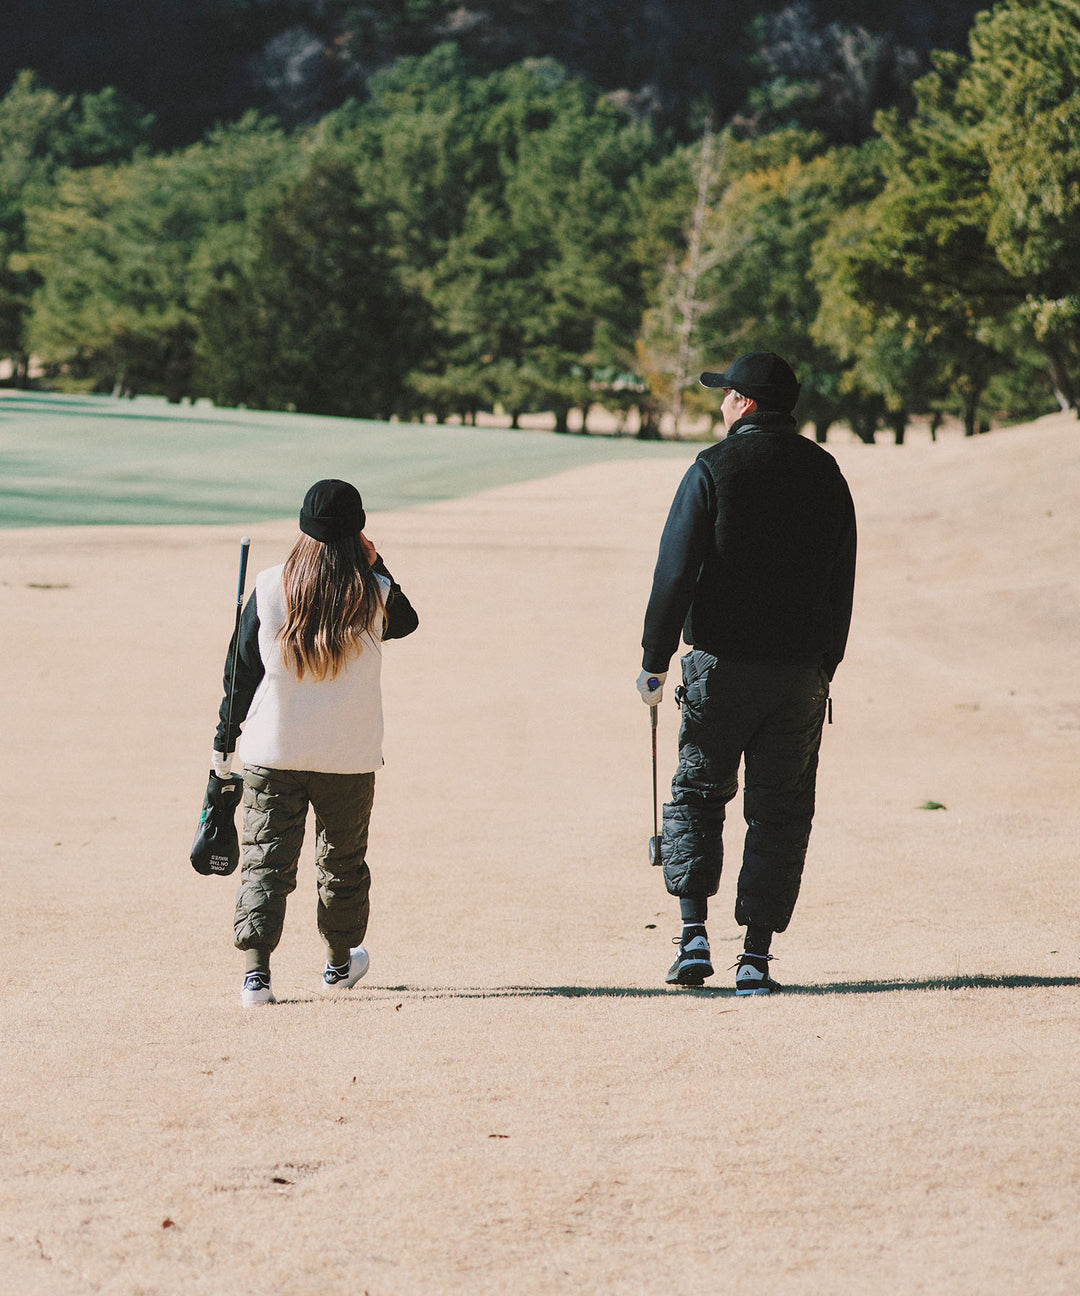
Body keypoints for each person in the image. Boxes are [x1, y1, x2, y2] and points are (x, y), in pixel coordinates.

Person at [637, 352, 855, 994]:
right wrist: (826, 665)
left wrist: (653, 661)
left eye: (727, 394)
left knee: (697, 796)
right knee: (781, 812)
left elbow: (674, 572)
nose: (722, 403)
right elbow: (841, 580)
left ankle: (693, 935)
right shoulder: (826, 471)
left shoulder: (712, 467)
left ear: (748, 404)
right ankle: (755, 957)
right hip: (798, 675)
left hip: (719, 668)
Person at [212, 479, 419, 1007]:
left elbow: (239, 677)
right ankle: (337, 965)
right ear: (358, 533)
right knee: (342, 864)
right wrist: (378, 562)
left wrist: (222, 745)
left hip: (272, 750)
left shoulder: (268, 586)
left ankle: (256, 977)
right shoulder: (374, 592)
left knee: (266, 862)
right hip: (347, 756)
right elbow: (409, 621)